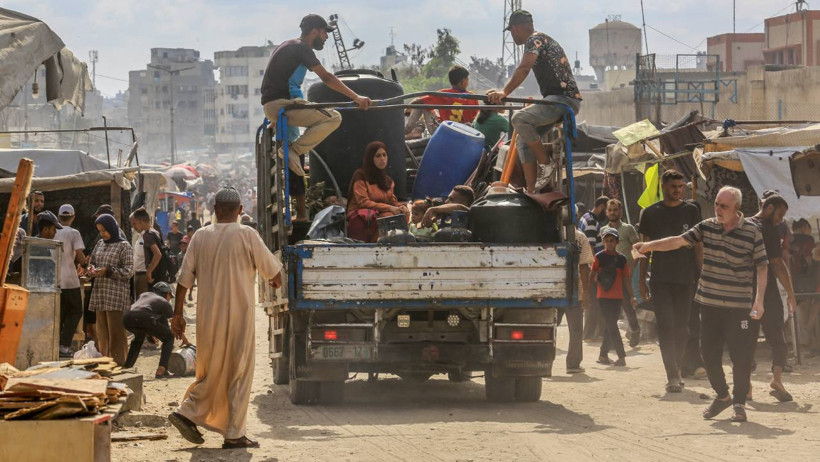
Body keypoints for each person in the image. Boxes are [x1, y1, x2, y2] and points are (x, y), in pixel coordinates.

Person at [635, 186, 768, 423]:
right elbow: (677, 241)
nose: (718, 209)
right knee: (708, 354)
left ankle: (739, 403)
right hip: (709, 304)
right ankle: (723, 395)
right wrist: (649, 246)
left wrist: (759, 300)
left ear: (736, 207)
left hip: (739, 307)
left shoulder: (752, 232)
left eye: (723, 206)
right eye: (716, 204)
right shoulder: (706, 226)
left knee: (741, 357)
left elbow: (762, 266)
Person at [168, 186, 283, 449]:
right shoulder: (247, 234)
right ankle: (233, 433)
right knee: (238, 373)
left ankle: (189, 411)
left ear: (215, 210)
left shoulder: (199, 236)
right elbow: (274, 274)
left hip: (208, 320)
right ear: (240, 210)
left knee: (211, 372)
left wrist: (178, 314)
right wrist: (274, 280)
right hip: (239, 318)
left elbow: (183, 280)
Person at [261, 14, 372, 222]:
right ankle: (293, 151)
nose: (326, 38)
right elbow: (327, 78)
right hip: (284, 104)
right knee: (333, 117)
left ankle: (300, 212)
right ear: (315, 31)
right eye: (324, 33)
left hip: (276, 106)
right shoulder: (302, 48)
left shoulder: (287, 46)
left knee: (297, 162)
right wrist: (357, 97)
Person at [488, 10, 582, 193]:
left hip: (563, 100)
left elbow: (523, 68)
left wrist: (504, 91)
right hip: (555, 100)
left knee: (519, 119)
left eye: (511, 31)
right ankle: (532, 191)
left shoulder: (535, 39)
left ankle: (546, 163)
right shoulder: (540, 40)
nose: (512, 35)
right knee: (523, 140)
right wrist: (501, 93)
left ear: (516, 28)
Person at [637, 169, 702, 393]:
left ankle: (679, 367)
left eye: (680, 186)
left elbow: (698, 246)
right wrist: (640, 281)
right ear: (664, 187)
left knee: (683, 327)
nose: (677, 190)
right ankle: (672, 374)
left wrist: (701, 274)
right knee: (665, 325)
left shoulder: (691, 211)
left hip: (686, 278)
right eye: (673, 186)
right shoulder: (649, 213)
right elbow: (643, 249)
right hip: (660, 278)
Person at [748, 194, 797, 402]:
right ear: (768, 208)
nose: (780, 220)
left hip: (743, 291)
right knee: (777, 336)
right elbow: (777, 263)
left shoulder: (741, 224)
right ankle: (776, 379)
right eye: (779, 215)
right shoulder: (768, 229)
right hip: (765, 290)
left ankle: (746, 386)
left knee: (745, 339)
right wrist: (791, 294)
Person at [88, 214, 134, 366]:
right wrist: (91, 270)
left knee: (116, 334)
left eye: (104, 230)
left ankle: (119, 364)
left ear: (112, 229)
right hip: (101, 294)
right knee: (102, 334)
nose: (102, 234)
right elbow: (93, 262)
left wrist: (108, 271)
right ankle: (105, 363)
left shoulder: (124, 246)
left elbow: (128, 272)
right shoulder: (100, 244)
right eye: (100, 231)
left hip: (115, 296)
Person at [123, 282, 190, 378]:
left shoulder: (145, 295)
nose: (169, 299)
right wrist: (186, 341)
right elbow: (175, 325)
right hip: (144, 318)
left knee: (138, 339)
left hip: (127, 318)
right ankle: (162, 370)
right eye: (170, 296)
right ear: (167, 293)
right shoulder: (164, 303)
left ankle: (127, 368)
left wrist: (150, 334)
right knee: (169, 337)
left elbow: (142, 313)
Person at [346, 141, 408, 243]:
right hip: (361, 216)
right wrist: (389, 207)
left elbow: (392, 201)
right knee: (387, 218)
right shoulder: (361, 175)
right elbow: (362, 202)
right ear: (370, 158)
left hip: (379, 215)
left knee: (402, 215)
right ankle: (377, 246)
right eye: (378, 156)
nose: (382, 159)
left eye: (384, 155)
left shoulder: (388, 181)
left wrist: (401, 207)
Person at [591, 228, 635, 367]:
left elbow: (626, 280)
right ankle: (621, 356)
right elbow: (591, 276)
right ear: (603, 242)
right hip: (603, 297)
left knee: (611, 326)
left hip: (618, 298)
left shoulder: (622, 259)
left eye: (612, 241)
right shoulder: (599, 257)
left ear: (617, 242)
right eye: (607, 241)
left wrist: (632, 296)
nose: (609, 243)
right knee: (612, 326)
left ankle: (603, 355)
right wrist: (587, 294)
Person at [600, 199, 641, 347]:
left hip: (625, 275)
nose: (612, 213)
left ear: (620, 212)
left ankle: (635, 329)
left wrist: (632, 268)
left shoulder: (628, 229)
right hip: (609, 278)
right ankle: (610, 342)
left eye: (615, 210)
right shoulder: (603, 230)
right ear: (606, 212)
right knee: (611, 309)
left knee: (627, 306)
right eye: (610, 210)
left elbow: (637, 250)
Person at [404, 65, 480, 138]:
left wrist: (408, 108)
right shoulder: (472, 97)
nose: (468, 82)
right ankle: (414, 131)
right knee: (424, 103)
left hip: (442, 133)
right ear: (462, 82)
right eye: (467, 79)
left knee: (421, 104)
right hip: (465, 134)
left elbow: (418, 101)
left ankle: (406, 131)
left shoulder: (444, 93)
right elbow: (476, 120)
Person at [55, 205, 86, 356]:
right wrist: (86, 265)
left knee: (59, 313)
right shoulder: (74, 233)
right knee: (75, 311)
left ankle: (55, 344)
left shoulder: (51, 231)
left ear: (59, 217)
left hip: (54, 280)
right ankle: (64, 345)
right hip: (70, 280)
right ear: (73, 217)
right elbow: (80, 255)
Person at [566, 227, 594, 373]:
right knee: (575, 330)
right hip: (573, 291)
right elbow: (584, 267)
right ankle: (573, 364)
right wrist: (586, 294)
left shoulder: (547, 232)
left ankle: (543, 363)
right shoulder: (580, 237)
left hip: (549, 290)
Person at [130, 208, 164, 295]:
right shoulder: (148, 234)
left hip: (144, 276)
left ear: (141, 221)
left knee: (143, 304)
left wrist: (149, 272)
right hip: (140, 275)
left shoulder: (148, 235)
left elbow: (158, 254)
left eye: (134, 224)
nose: (133, 227)